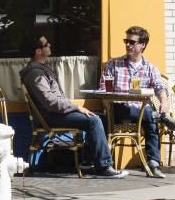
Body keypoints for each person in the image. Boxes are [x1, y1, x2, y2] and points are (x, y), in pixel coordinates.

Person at [21, 36, 127, 178]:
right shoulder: (36, 74)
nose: (50, 45)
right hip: (51, 117)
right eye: (46, 44)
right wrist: (76, 107)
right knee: (94, 120)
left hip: (55, 114)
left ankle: (88, 162)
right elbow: (50, 102)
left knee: (102, 118)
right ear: (38, 51)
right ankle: (103, 166)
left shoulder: (40, 70)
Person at [101, 26, 174, 178]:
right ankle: (159, 117)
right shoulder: (114, 64)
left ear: (143, 45)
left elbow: (160, 88)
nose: (128, 45)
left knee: (150, 122)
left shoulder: (150, 68)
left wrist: (164, 103)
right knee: (149, 115)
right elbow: (103, 89)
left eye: (132, 42)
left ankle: (153, 164)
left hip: (141, 114)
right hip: (118, 110)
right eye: (126, 41)